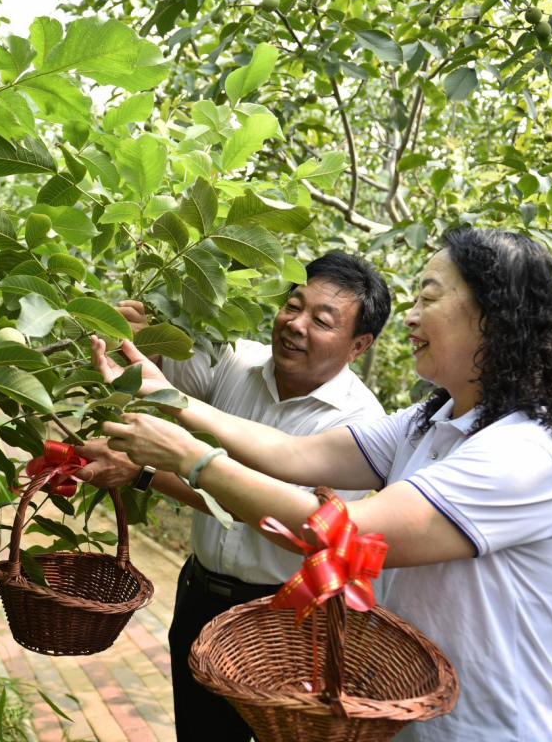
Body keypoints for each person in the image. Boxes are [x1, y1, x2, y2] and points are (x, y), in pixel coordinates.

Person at [90, 227, 552, 742]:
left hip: (480, 729)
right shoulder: (428, 422)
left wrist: (192, 459)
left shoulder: (528, 452)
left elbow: (346, 534)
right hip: (398, 718)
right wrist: (164, 394)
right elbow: (292, 453)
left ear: (492, 317)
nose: (412, 316)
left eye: (429, 297)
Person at [74, 251, 392, 742]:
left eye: (321, 320)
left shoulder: (362, 428)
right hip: (201, 597)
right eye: (293, 305)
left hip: (286, 621)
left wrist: (145, 473)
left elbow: (278, 520)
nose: (295, 325)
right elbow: (159, 376)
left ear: (359, 345)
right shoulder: (235, 361)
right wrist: (139, 338)